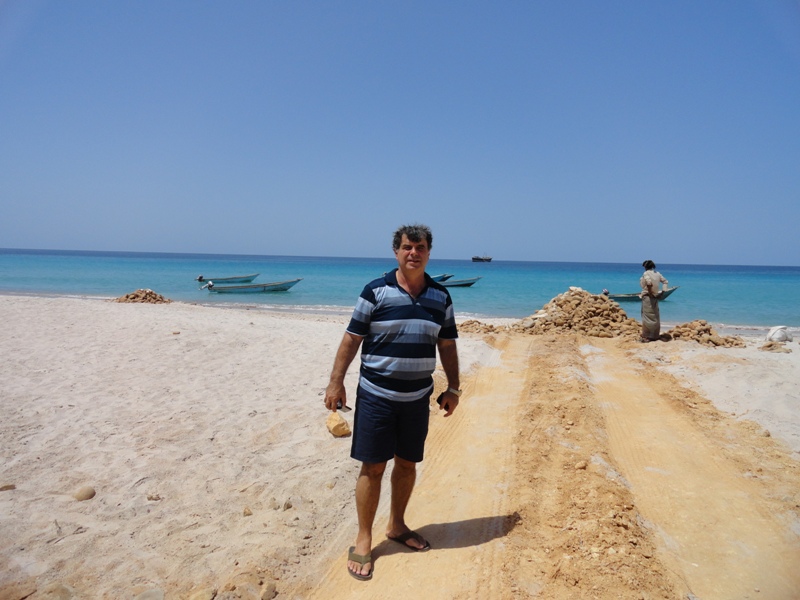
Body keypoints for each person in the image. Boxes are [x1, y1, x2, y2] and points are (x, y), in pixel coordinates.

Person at [324, 223, 461, 581]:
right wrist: (335, 383)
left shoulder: (441, 297)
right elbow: (352, 339)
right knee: (373, 467)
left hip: (417, 398)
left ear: (429, 252)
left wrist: (455, 388)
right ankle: (364, 537)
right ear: (396, 252)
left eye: (419, 247)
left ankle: (397, 525)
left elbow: (447, 344)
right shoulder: (375, 292)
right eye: (406, 247)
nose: (413, 253)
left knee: (407, 464)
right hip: (376, 397)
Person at [639, 260, 669, 342]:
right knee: (655, 316)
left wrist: (650, 292)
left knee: (647, 316)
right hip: (655, 297)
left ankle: (647, 336)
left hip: (647, 297)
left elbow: (649, 283)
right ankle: (655, 335)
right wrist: (662, 292)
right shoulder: (658, 274)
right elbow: (665, 282)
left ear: (645, 267)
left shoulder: (646, 273)